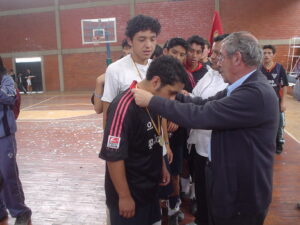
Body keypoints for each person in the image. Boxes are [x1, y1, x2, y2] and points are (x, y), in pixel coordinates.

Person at [132, 31, 279, 225]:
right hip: (231, 185)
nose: (217, 63)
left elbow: (202, 116)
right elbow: (204, 103)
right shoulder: (242, 87)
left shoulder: (254, 94)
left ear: (237, 58)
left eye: (221, 57)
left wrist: (152, 100)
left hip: (242, 195)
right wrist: (177, 94)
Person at [100, 55, 188, 225]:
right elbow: (113, 156)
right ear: (155, 82)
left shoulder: (152, 102)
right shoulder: (123, 107)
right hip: (130, 195)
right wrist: (124, 196)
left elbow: (155, 136)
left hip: (150, 190)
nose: (172, 100)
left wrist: (162, 164)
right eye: (171, 93)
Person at [186, 34, 229, 225]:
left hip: (215, 150)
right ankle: (200, 220)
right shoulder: (209, 74)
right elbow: (194, 97)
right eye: (213, 51)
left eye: (219, 53)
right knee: (201, 190)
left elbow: (205, 109)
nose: (212, 56)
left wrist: (183, 101)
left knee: (215, 195)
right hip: (198, 145)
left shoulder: (230, 82)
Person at [101, 14, 161, 129]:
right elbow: (108, 112)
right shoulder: (115, 69)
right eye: (142, 39)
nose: (148, 45)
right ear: (130, 41)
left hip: (155, 134)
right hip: (128, 135)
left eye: (152, 39)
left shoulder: (158, 67)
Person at [0, 57, 32, 225]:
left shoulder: (6, 80)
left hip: (4, 136)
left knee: (8, 173)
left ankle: (21, 211)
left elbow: (10, 98)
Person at [260, 45, 289, 154]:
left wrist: (283, 102)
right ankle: (264, 143)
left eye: (269, 53)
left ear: (273, 55)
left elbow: (285, 85)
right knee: (261, 122)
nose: (266, 55)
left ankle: (279, 143)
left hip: (276, 101)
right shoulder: (258, 68)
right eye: (264, 53)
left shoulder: (279, 68)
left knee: (279, 123)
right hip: (262, 102)